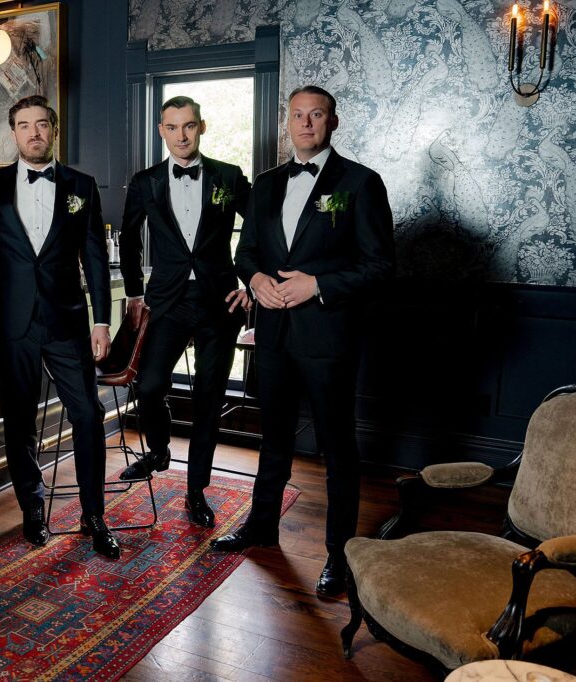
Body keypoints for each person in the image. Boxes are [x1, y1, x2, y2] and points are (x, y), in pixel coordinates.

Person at [211, 86, 396, 598]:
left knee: (337, 447)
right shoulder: (267, 184)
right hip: (271, 334)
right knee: (273, 438)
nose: (306, 124)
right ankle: (261, 525)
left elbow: (382, 267)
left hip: (328, 337)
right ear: (287, 122)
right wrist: (255, 281)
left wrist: (318, 285)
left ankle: (340, 554)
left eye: (316, 115)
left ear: (333, 121)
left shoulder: (361, 183)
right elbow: (245, 252)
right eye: (298, 116)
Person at [0, 95, 120, 560]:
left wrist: (101, 320)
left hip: (66, 322)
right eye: (24, 125)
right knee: (20, 421)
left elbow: (96, 261)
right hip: (12, 324)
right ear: (14, 133)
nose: (34, 133)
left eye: (42, 124)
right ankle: (32, 508)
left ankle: (94, 515)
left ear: (54, 129)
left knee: (88, 415)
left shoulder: (81, 185)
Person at [117, 95, 251, 527]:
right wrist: (135, 292)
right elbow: (130, 239)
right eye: (172, 127)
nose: (181, 135)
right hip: (168, 301)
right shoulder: (146, 181)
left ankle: (196, 491)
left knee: (208, 400)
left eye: (189, 126)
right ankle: (158, 451)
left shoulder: (229, 176)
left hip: (219, 301)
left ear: (202, 127)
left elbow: (262, 229)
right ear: (161, 130)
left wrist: (252, 282)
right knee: (151, 384)